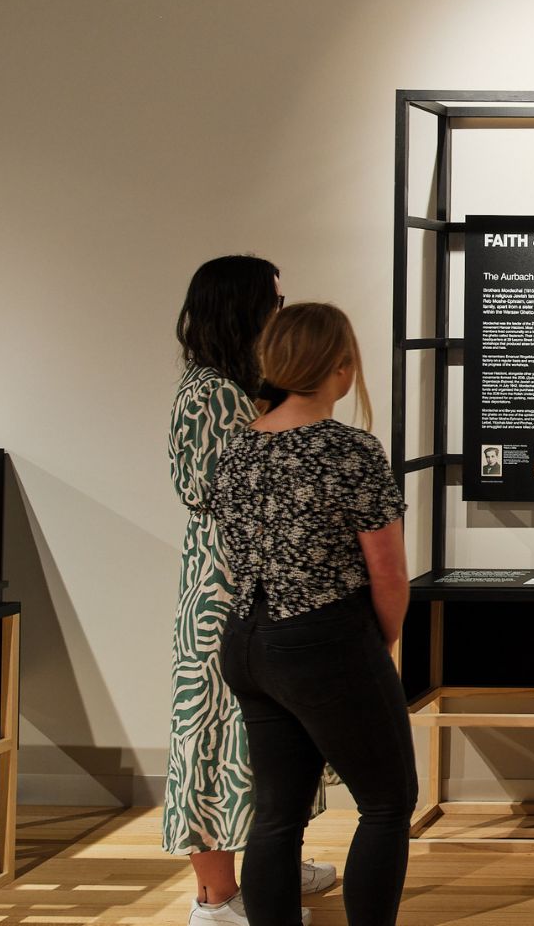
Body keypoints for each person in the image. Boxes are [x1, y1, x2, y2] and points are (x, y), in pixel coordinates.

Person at [212, 303, 417, 926]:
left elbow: (232, 554)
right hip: (323, 637)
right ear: (340, 365)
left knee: (278, 813)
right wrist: (377, 645)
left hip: (247, 640)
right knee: (386, 802)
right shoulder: (348, 449)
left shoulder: (239, 449)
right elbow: (387, 571)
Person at [167, 256, 334, 925]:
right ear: (241, 309)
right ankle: (216, 898)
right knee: (213, 733)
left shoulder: (236, 389)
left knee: (268, 730)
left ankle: (273, 866)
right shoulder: (210, 393)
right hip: (223, 586)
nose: (281, 310)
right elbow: (209, 489)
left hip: (255, 578)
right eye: (272, 301)